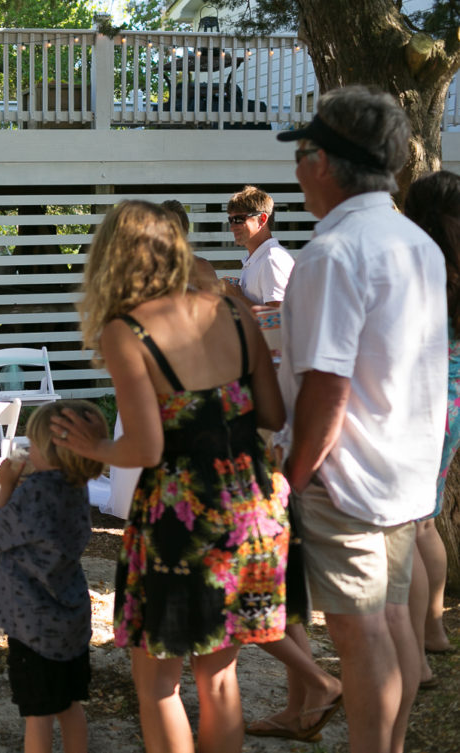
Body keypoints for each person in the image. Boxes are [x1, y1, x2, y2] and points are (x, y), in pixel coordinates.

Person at [56, 200, 291, 753]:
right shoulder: (233, 312)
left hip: (178, 522)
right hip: (251, 513)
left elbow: (146, 446)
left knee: (159, 686)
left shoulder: (128, 331)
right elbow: (275, 416)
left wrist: (94, 445)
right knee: (219, 678)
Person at [276, 85, 447, 753]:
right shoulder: (416, 242)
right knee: (394, 621)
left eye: (301, 154)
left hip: (347, 477)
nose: (296, 170)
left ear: (323, 161)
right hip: (403, 470)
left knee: (362, 632)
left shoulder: (332, 254)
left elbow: (326, 384)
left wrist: (292, 475)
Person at [0, 401, 108, 753]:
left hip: (32, 625)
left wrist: (6, 485)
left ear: (50, 450)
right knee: (70, 705)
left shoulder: (32, 492)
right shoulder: (77, 486)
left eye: (32, 444)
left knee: (38, 716)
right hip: (70, 618)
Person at [401, 170, 460, 685]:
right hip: (455, 397)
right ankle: (434, 630)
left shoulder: (420, 264)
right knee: (428, 517)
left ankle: (418, 651)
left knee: (412, 525)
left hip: (423, 396)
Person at [221, 185, 294, 308]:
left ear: (262, 219)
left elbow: (280, 319)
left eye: (239, 219)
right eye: (231, 220)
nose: (232, 226)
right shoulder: (258, 259)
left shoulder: (272, 260)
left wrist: (237, 297)